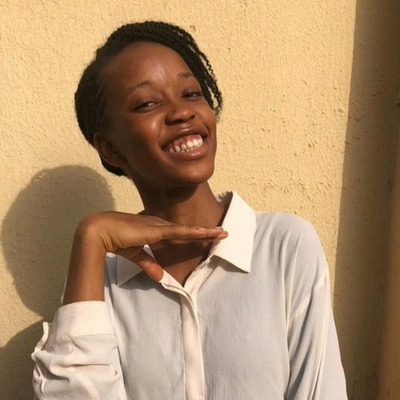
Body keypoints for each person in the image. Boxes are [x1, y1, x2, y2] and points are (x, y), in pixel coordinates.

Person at [32, 21, 347, 399]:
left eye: (192, 94)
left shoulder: (284, 247)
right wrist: (90, 236)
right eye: (147, 103)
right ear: (110, 148)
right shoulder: (101, 283)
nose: (181, 112)